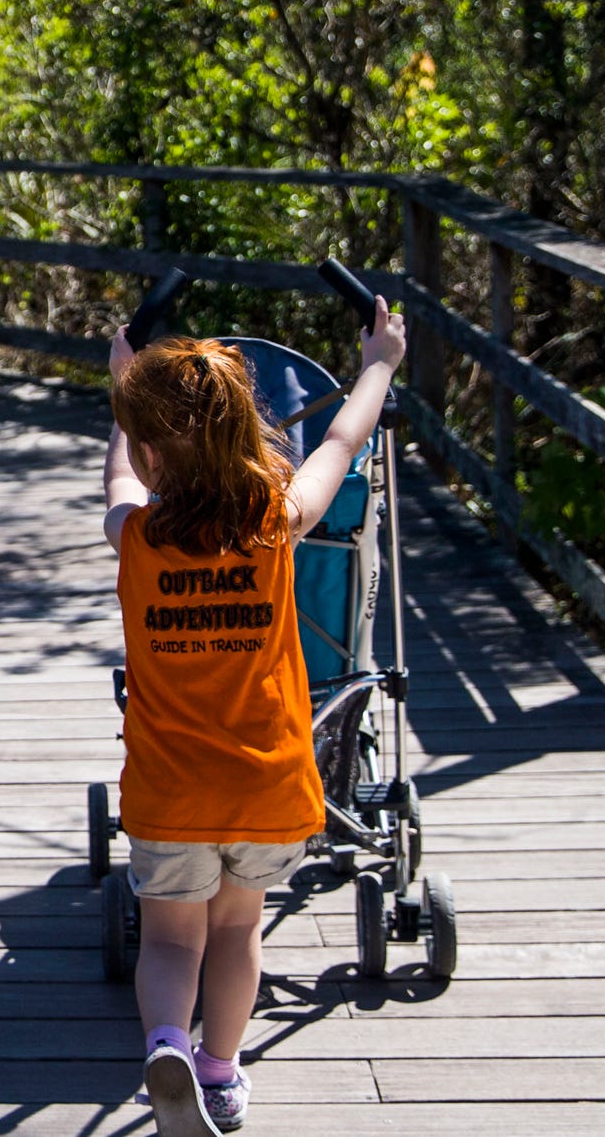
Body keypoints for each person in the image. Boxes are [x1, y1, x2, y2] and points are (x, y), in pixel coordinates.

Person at [102, 299, 406, 1136]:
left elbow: (122, 477)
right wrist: (377, 361)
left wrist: (123, 382)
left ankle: (166, 1040)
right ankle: (221, 1072)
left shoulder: (134, 537)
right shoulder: (275, 521)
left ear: (150, 447)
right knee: (236, 933)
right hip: (266, 782)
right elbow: (341, 445)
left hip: (169, 791)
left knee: (168, 941)